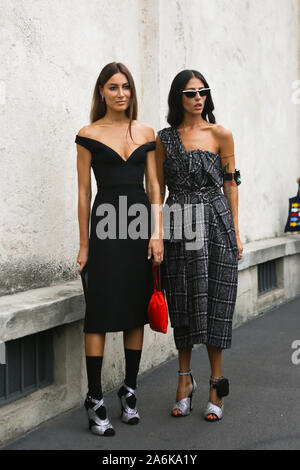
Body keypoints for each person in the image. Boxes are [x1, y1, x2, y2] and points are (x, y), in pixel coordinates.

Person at [75, 62, 164, 436]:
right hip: (105, 230)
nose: (121, 93)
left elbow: (155, 186)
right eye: (113, 87)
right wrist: (84, 245)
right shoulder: (88, 133)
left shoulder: (146, 132)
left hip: (140, 227)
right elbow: (83, 192)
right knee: (98, 311)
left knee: (134, 310)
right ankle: (95, 399)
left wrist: (156, 233)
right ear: (101, 92)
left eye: (126, 86)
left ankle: (129, 391)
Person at [155, 69, 243, 422]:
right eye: (190, 93)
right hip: (178, 224)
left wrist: (236, 231)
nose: (197, 97)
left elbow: (231, 184)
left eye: (203, 91)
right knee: (183, 302)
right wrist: (156, 232)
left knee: (217, 304)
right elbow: (157, 191)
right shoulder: (165, 138)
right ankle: (184, 381)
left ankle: (216, 386)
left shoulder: (221, 134)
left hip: (216, 222)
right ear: (179, 97)